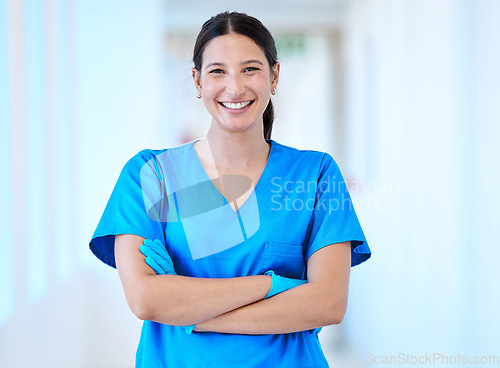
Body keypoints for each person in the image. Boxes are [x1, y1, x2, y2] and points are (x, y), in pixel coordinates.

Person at [90, 11, 371, 368]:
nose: (235, 88)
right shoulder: (150, 176)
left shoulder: (315, 174)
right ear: (197, 81)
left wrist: (192, 310)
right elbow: (146, 300)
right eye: (218, 71)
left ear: (274, 76)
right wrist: (272, 286)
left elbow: (328, 303)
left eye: (250, 69)